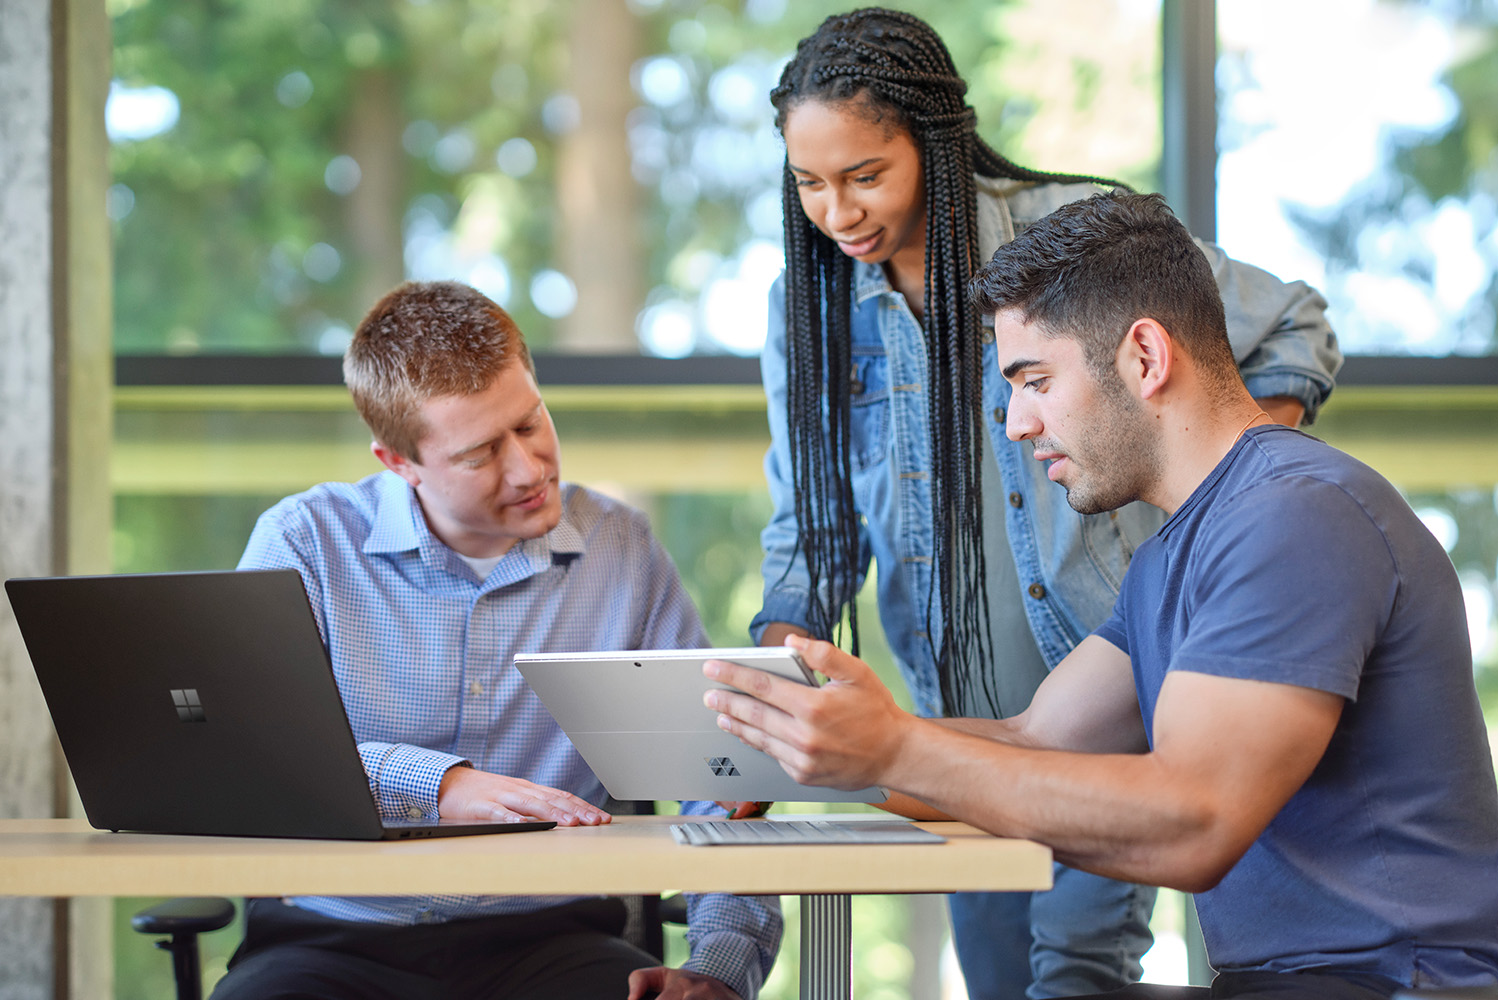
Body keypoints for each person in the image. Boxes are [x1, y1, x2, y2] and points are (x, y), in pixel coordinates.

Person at [712, 191, 1499, 999]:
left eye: (1033, 379)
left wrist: (892, 751)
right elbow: (1036, 738)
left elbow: (1195, 819)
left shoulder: (1297, 515)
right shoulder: (1172, 553)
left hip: (1392, 984)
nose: (1014, 423)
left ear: (1146, 358)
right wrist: (800, 746)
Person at [750, 8, 1343, 999]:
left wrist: (1223, 497)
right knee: (999, 979)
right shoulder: (806, 308)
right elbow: (812, 525)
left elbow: (1294, 325)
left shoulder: (1068, 244)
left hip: (1118, 695)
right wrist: (773, 689)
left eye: (864, 176)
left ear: (933, 148)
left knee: (1074, 971)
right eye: (809, 183)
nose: (838, 213)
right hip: (957, 728)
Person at [211, 281, 781, 1000]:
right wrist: (438, 786)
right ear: (398, 462)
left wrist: (720, 970)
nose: (529, 468)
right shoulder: (305, 543)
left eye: (532, 423)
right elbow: (253, 761)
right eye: (480, 454)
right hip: (329, 938)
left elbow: (720, 788)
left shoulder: (622, 550)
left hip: (555, 940)